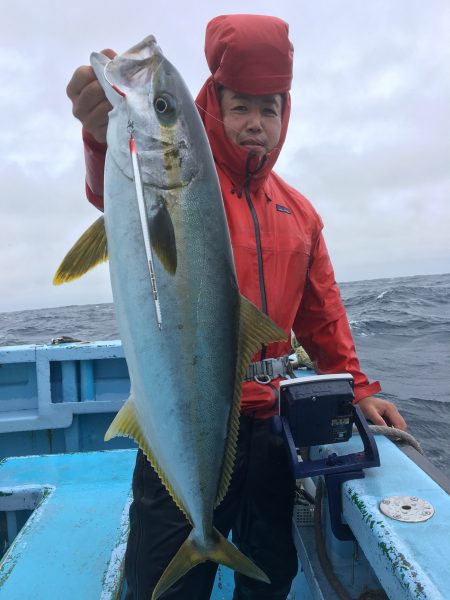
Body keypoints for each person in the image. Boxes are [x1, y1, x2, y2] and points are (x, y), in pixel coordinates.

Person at [67, 14, 407, 600]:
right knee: (163, 584)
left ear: (285, 116)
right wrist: (101, 135)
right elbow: (117, 197)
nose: (255, 124)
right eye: (241, 107)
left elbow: (323, 313)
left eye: (269, 109)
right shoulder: (189, 179)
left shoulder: (299, 213)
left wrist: (359, 387)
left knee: (272, 573)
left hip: (269, 423)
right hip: (181, 411)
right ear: (212, 109)